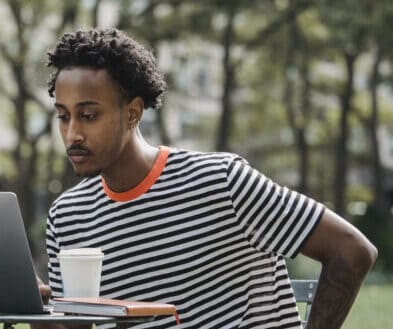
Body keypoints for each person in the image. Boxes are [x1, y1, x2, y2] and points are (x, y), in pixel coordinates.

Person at [41, 28, 377, 329]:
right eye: (63, 116)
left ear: (133, 112)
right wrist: (33, 306)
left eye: (88, 116)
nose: (72, 134)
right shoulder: (67, 216)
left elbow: (351, 250)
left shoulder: (221, 182)